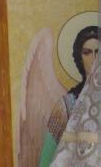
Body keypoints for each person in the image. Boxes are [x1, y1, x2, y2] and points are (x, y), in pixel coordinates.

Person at [43, 25, 98, 165]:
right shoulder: (67, 104)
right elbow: (47, 157)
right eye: (87, 52)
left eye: (98, 53)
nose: (94, 59)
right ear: (79, 57)